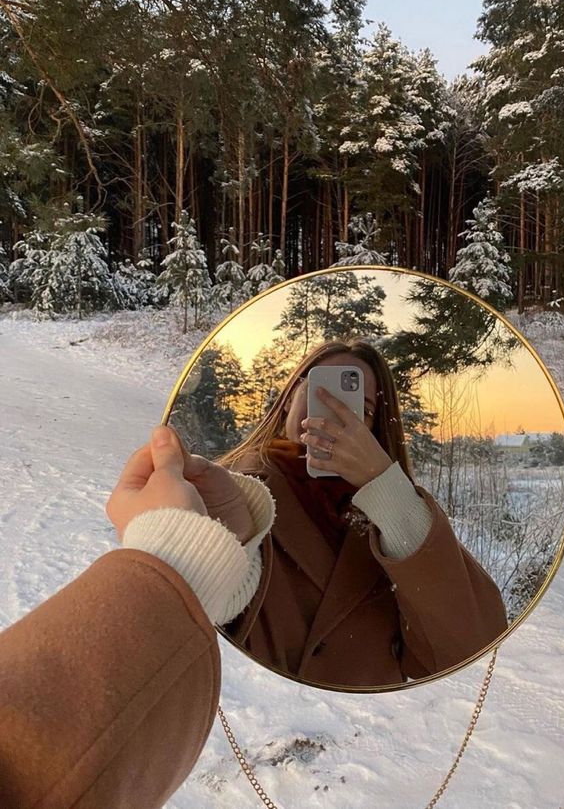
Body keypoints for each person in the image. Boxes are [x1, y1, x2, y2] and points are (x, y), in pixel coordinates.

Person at [0, 425, 275, 809]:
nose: (330, 419)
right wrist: (181, 559)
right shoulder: (260, 469)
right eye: (313, 401)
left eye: (361, 410)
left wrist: (387, 502)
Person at [219, 338, 509, 688]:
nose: (332, 414)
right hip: (262, 725)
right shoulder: (231, 492)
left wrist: (386, 489)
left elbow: (469, 647)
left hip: (366, 732)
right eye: (318, 393)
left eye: (361, 408)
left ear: (374, 431)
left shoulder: (399, 518)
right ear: (288, 400)